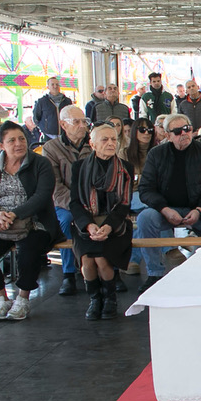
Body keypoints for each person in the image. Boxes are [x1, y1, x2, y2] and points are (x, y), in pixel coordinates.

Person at [0, 121, 64, 321]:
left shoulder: (40, 163)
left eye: (22, 139)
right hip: (0, 222)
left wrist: (15, 214)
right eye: (12, 140)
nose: (19, 144)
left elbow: (42, 196)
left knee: (29, 250)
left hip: (34, 220)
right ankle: (1, 298)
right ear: (1, 145)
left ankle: (23, 298)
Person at [135, 113, 201, 288]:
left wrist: (200, 209)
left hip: (200, 209)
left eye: (187, 129)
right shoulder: (156, 154)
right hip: (165, 210)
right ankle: (154, 273)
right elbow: (145, 189)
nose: (184, 133)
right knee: (145, 218)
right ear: (168, 135)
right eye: (177, 131)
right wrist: (164, 209)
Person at [69, 124, 133, 320]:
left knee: (102, 258)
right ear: (93, 144)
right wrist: (88, 225)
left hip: (116, 223)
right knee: (87, 259)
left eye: (114, 139)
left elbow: (124, 204)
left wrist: (108, 226)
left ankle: (110, 299)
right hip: (87, 222)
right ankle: (95, 299)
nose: (111, 143)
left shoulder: (125, 168)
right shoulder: (79, 167)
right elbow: (75, 202)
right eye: (105, 140)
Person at [42, 105, 92, 296]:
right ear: (63, 125)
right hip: (65, 201)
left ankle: (107, 271)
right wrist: (76, 205)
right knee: (66, 221)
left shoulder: (94, 143)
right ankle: (68, 273)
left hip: (91, 199)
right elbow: (54, 185)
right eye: (76, 122)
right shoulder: (51, 148)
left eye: (84, 121)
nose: (82, 126)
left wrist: (90, 202)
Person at [123, 117, 158, 276]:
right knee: (153, 207)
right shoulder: (124, 153)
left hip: (152, 194)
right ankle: (169, 248)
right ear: (134, 132)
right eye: (142, 130)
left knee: (146, 215)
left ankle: (134, 260)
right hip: (131, 194)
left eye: (150, 130)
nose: (147, 133)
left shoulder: (157, 152)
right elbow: (124, 182)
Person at [32, 76, 72, 141]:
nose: (55, 86)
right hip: (48, 137)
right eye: (52, 84)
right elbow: (36, 118)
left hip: (65, 135)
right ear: (48, 87)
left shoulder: (67, 101)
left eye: (57, 84)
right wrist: (44, 128)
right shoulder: (42, 101)